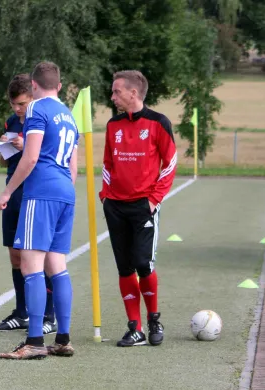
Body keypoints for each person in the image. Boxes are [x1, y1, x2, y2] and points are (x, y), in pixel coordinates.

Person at [0, 61, 78, 360]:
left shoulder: (36, 110)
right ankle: (64, 338)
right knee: (57, 265)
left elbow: (29, 158)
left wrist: (7, 191)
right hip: (65, 192)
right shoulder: (69, 116)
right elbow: (73, 166)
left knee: (31, 266)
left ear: (33, 85)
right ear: (58, 84)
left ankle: (33, 341)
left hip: (41, 191)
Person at [99, 70, 177, 347]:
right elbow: (107, 163)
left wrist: (154, 200)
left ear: (133, 93)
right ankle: (135, 327)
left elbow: (170, 162)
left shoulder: (158, 123)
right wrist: (106, 195)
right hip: (115, 206)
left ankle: (154, 318)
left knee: (143, 264)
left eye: (116, 91)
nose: (112, 96)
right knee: (124, 268)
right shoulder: (113, 125)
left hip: (144, 206)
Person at [0, 74, 57, 334]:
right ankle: (21, 313)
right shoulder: (11, 121)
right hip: (13, 192)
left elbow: (46, 155)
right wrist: (5, 148)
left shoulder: (40, 119)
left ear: (33, 97)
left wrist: (26, 144)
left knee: (40, 255)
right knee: (15, 254)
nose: (18, 109)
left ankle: (48, 315)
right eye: (14, 104)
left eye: (22, 103)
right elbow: (4, 162)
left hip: (36, 192)